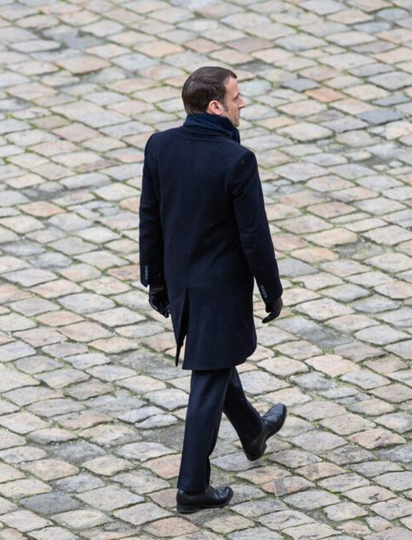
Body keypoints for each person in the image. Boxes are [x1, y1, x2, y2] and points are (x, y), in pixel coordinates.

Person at [139, 66, 287, 514]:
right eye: (237, 97)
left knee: (215, 362)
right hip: (220, 290)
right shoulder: (235, 160)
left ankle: (252, 430)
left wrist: (156, 279)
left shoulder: (160, 145)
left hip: (183, 283)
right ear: (215, 107)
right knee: (207, 379)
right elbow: (254, 235)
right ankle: (192, 487)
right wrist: (272, 290)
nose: (244, 104)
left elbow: (151, 217)